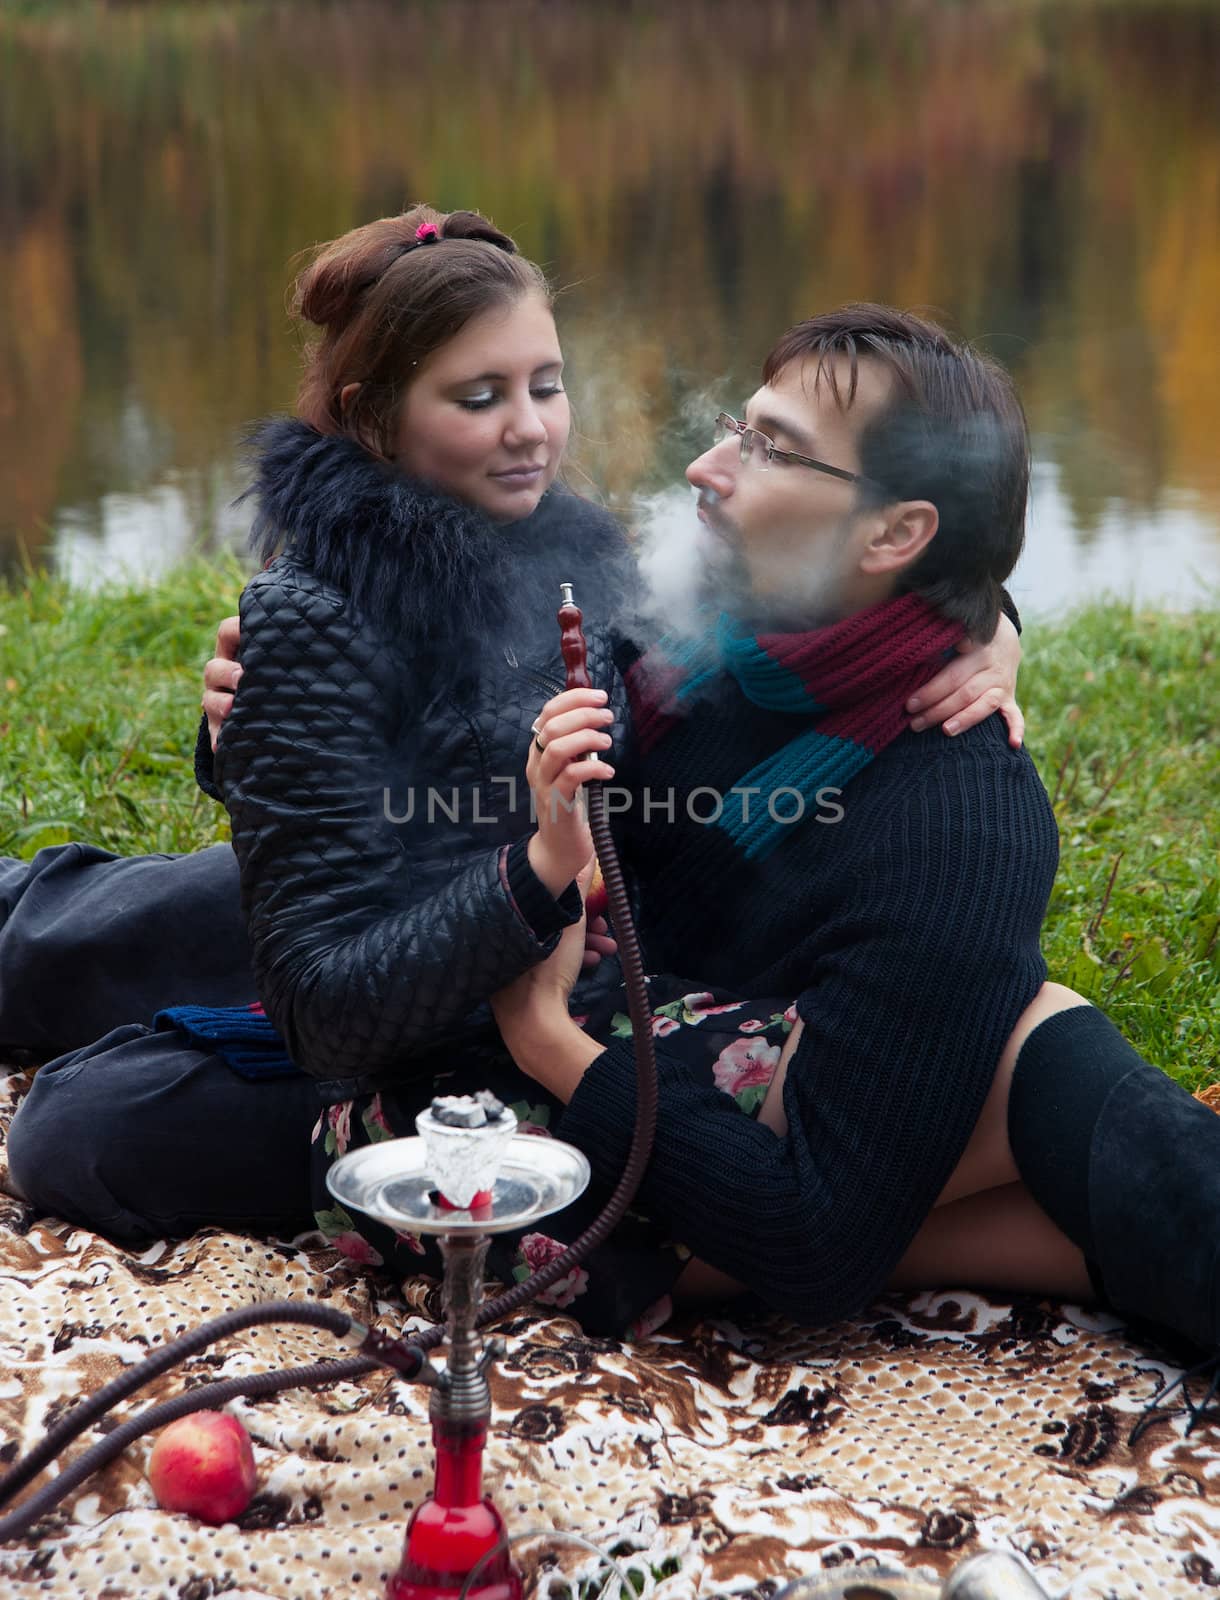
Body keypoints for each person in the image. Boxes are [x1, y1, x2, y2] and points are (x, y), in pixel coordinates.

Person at [5, 215, 1028, 1333]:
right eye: (479, 397)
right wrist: (501, 858)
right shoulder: (325, 612)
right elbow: (337, 982)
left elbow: (839, 577)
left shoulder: (581, 557)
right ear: (373, 415)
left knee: (82, 1115)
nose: (532, 430)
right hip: (399, 947)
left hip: (463, 972)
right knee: (71, 937)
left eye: (547, 384)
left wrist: (981, 620)